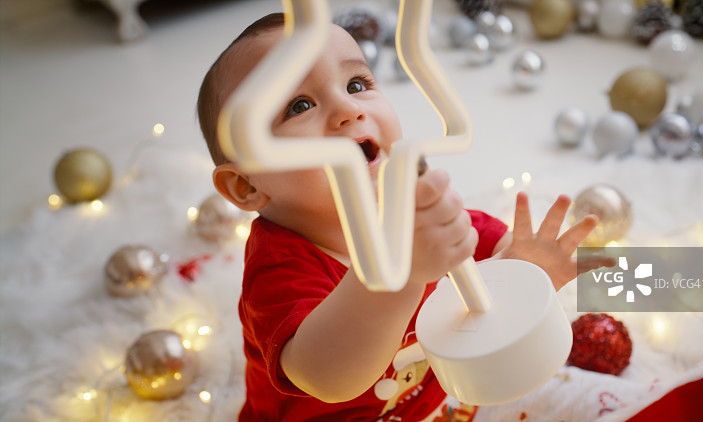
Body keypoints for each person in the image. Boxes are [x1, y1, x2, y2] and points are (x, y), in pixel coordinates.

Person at [197, 12, 612, 422]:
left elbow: (501, 253)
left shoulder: (426, 218)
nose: (348, 109)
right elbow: (328, 378)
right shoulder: (279, 268)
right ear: (246, 186)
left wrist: (522, 274)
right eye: (299, 105)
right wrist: (400, 270)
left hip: (439, 407)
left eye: (356, 84)